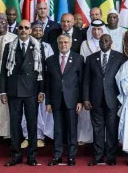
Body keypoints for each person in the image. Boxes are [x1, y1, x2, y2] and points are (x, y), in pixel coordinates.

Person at [0, 19, 44, 166]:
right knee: (15, 125)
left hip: (32, 91)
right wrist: (2, 91)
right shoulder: (9, 46)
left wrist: (41, 90)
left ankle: (32, 156)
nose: (23, 30)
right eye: (21, 28)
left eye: (26, 28)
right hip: (14, 91)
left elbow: (41, 70)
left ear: (30, 30)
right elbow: (4, 71)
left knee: (32, 124)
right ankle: (16, 155)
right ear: (17, 30)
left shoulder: (37, 46)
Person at [83, 33, 127, 166]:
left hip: (113, 99)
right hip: (95, 99)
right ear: (99, 43)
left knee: (112, 129)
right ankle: (98, 156)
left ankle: (111, 156)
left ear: (111, 42)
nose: (104, 43)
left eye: (106, 41)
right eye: (102, 41)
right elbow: (86, 80)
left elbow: (123, 79)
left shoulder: (119, 57)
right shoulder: (91, 58)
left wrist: (122, 99)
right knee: (98, 129)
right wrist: (85, 98)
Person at [44, 35, 85, 166]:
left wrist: (80, 100)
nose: (63, 44)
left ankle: (71, 156)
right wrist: (48, 102)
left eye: (66, 42)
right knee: (58, 130)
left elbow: (81, 82)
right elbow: (48, 83)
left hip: (72, 100)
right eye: (61, 42)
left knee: (72, 129)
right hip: (56, 100)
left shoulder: (78, 59)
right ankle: (57, 155)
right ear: (57, 44)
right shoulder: (50, 60)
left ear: (70, 44)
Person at [22, 21, 54, 147]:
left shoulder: (47, 47)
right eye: (35, 30)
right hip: (28, 82)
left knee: (41, 111)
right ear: (31, 31)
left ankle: (40, 137)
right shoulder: (25, 45)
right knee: (26, 110)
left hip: (43, 82)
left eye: (40, 30)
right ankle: (27, 137)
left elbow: (50, 66)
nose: (38, 32)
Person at [78, 19, 107, 145]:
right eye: (94, 29)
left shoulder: (109, 43)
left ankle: (103, 138)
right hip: (90, 79)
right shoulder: (85, 44)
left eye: (99, 29)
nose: (97, 32)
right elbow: (83, 62)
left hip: (104, 83)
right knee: (88, 112)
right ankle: (86, 137)